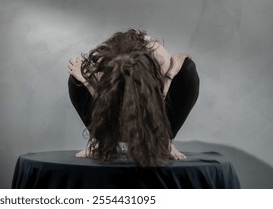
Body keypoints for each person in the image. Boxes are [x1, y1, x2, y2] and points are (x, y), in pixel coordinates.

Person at [67, 29, 200, 166]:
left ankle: (167, 141)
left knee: (188, 70)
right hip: (113, 114)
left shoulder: (158, 54)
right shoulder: (102, 62)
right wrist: (86, 82)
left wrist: (169, 76)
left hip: (153, 111)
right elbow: (104, 103)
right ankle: (98, 141)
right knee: (76, 77)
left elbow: (182, 59)